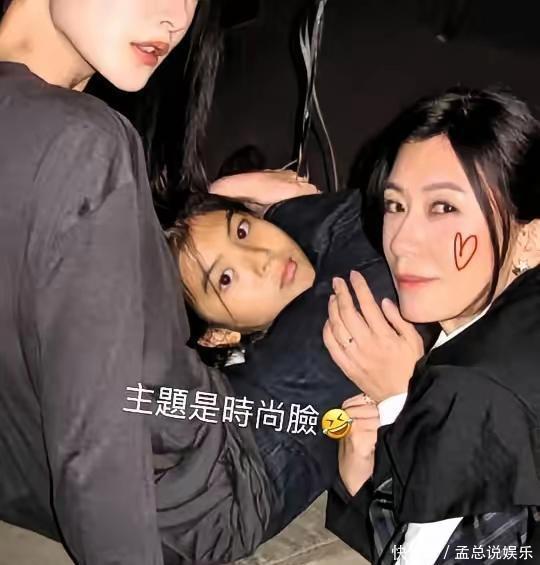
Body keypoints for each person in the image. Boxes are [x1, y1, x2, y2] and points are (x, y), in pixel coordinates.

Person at [0, 2, 288, 563]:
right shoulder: (85, 143)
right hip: (193, 501)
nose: (176, 16)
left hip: (27, 492)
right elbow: (98, 439)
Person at [324, 86, 540, 564]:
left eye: (444, 207)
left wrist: (404, 402)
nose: (402, 241)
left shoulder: (470, 389)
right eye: (395, 205)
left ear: (530, 237)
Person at [166, 178, 438, 535]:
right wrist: (290, 206)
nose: (261, 258)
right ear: (217, 335)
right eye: (226, 278)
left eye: (243, 231)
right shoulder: (290, 365)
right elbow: (399, 232)